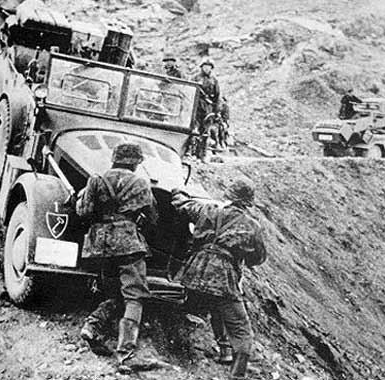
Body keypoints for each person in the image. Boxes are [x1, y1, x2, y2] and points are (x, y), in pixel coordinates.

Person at [170, 178, 267, 380]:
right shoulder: (252, 226)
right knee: (241, 328)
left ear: (229, 196)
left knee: (213, 306)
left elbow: (183, 205)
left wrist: (178, 191)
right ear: (248, 203)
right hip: (223, 277)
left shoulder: (209, 210)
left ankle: (223, 353)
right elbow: (258, 258)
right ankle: (237, 374)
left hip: (194, 272)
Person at [76, 143, 157, 370]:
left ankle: (91, 326)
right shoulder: (141, 183)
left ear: (114, 158)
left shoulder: (97, 179)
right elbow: (152, 219)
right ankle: (126, 355)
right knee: (134, 297)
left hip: (99, 246)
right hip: (128, 246)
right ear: (136, 162)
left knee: (113, 294)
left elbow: (84, 212)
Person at [192, 57, 220, 160]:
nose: (207, 69)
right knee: (193, 130)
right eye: (205, 66)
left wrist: (216, 111)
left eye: (209, 67)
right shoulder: (195, 78)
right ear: (201, 67)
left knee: (205, 131)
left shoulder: (214, 81)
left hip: (208, 108)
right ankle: (192, 153)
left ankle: (202, 154)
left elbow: (217, 96)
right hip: (196, 106)